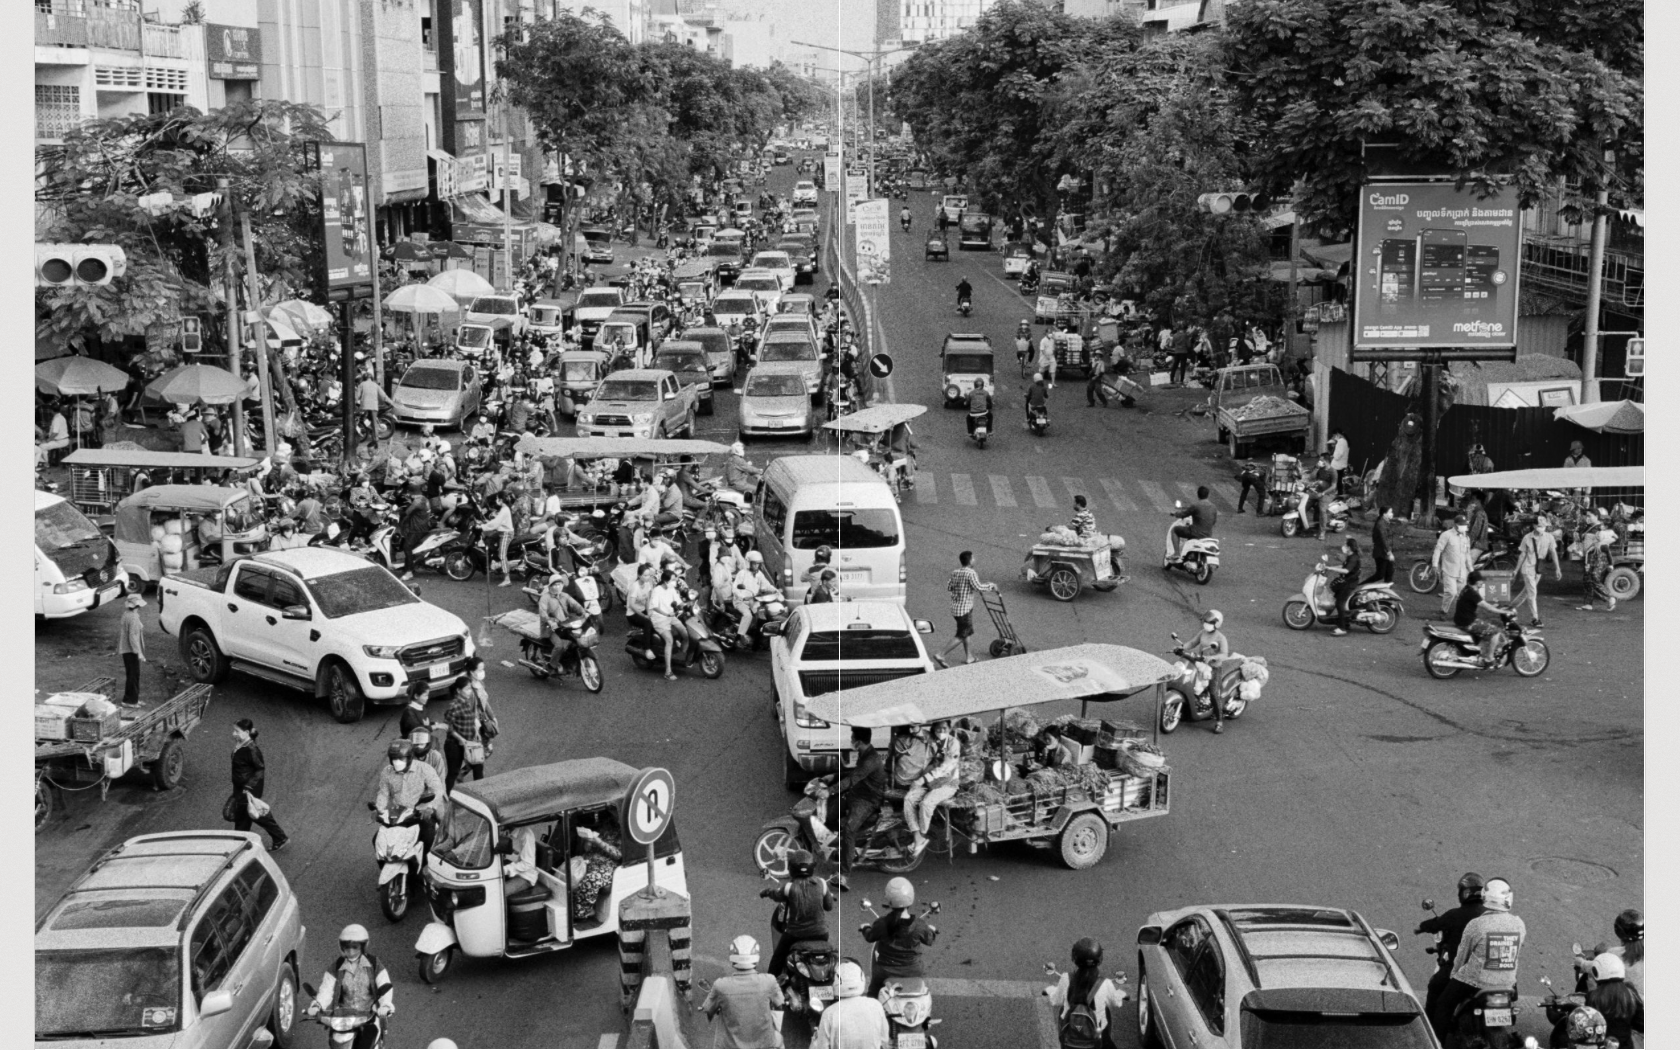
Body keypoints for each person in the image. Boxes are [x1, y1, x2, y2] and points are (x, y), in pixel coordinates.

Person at [1431, 877, 1525, 1041]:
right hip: (1507, 983)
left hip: (1474, 980)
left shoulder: (1477, 924)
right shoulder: (1519, 924)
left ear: (1485, 897)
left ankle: (1436, 1043)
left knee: (1444, 1005)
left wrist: (1454, 974)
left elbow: (1462, 955)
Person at [1416, 873, 1487, 1029]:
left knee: (1438, 993)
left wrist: (1421, 927)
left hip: (1462, 970)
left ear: (1465, 893)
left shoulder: (1455, 915)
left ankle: (1434, 1037)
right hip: (1492, 972)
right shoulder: (1493, 915)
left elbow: (1436, 924)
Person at [307, 925, 394, 1048]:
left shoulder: (374, 964)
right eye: (347, 948)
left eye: (355, 947)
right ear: (342, 947)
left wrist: (385, 1005)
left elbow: (384, 984)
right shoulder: (336, 967)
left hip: (368, 1017)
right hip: (343, 1019)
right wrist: (318, 1005)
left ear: (363, 947)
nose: (351, 952)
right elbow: (326, 989)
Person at [701, 935, 785, 1049]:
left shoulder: (720, 986)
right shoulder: (769, 981)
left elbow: (708, 1010)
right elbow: (779, 1005)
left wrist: (709, 1010)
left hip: (729, 1046)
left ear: (732, 958)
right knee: (779, 1039)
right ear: (756, 957)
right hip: (765, 1045)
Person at [759, 849, 833, 979]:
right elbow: (829, 907)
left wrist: (766, 892)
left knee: (778, 957)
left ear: (791, 868)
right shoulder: (821, 883)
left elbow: (776, 895)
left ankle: (770, 984)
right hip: (821, 933)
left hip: (795, 934)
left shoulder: (789, 887)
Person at [861, 877, 938, 999]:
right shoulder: (919, 925)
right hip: (913, 969)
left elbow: (870, 937)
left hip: (885, 970)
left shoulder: (881, 923)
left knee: (873, 993)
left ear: (889, 899)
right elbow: (929, 940)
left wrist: (865, 928)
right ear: (911, 898)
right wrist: (932, 931)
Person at [1046, 938, 1127, 1048]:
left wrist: (1050, 990)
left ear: (1074, 958)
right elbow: (1116, 1002)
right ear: (1099, 959)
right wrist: (1122, 994)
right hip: (1095, 1038)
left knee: (1063, 1013)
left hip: (1070, 1037)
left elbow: (1055, 1000)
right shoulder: (1105, 983)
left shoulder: (1066, 978)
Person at [373, 739, 445, 854]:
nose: (397, 762)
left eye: (401, 759)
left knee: (428, 838)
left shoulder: (424, 769)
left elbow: (437, 790)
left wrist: (430, 807)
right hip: (398, 815)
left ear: (410, 757)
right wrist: (379, 809)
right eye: (394, 759)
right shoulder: (387, 772)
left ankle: (425, 865)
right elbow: (383, 793)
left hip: (420, 814)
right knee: (377, 840)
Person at [902, 720, 961, 854]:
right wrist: (914, 723)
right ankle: (917, 837)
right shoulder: (932, 738)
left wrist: (922, 779)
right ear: (933, 729)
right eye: (938, 729)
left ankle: (922, 835)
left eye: (944, 728)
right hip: (929, 783)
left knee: (926, 803)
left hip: (947, 784)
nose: (941, 732)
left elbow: (945, 768)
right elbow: (919, 732)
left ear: (949, 728)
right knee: (908, 799)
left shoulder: (953, 743)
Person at [229, 719, 288, 852]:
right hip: (241, 788)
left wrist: (248, 787)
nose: (233, 734)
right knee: (245, 816)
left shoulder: (251, 749)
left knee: (247, 816)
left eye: (237, 731)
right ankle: (279, 837)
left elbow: (260, 769)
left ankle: (239, 845)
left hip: (248, 789)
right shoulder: (242, 744)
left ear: (246, 732)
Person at [836, 726, 888, 872]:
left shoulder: (870, 760)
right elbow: (854, 773)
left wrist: (829, 790)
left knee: (849, 829)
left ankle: (844, 873)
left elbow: (852, 779)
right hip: (858, 793)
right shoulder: (863, 753)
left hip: (867, 800)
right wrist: (832, 777)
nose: (850, 740)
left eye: (852, 738)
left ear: (858, 741)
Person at [442, 658, 498, 790]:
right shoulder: (468, 693)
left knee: (481, 760)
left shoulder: (479, 684)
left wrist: (492, 716)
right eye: (480, 669)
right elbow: (450, 725)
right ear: (472, 672)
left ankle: (473, 785)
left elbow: (485, 702)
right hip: (472, 733)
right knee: (480, 757)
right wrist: (473, 727)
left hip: (476, 731)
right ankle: (455, 787)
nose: (482, 672)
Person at [810, 960, 889, 1050]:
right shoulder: (876, 1006)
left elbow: (822, 1047)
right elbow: (884, 1040)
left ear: (837, 982)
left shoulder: (829, 1013)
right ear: (861, 979)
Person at [936, 551, 993, 668]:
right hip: (964, 609)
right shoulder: (971, 573)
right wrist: (991, 586)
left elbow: (949, 587)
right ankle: (941, 654)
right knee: (962, 634)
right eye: (973, 558)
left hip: (955, 608)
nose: (974, 559)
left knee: (966, 631)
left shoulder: (955, 572)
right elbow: (978, 587)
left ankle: (969, 657)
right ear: (970, 560)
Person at [1578, 954, 1642, 1049]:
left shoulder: (1593, 997)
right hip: (1625, 1046)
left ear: (1596, 972)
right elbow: (1640, 1022)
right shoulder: (1630, 992)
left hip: (1602, 1045)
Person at [1511, 515, 1562, 628]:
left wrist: (1557, 568)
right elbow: (1522, 555)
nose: (1542, 528)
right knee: (1532, 593)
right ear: (1534, 526)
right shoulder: (1527, 538)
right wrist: (1516, 570)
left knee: (1526, 593)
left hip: (1538, 569)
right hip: (1528, 568)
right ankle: (1535, 618)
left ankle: (1508, 608)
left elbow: (1553, 552)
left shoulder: (1549, 537)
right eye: (1539, 526)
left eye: (1544, 526)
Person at [1185, 610, 1230, 733]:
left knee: (1213, 692)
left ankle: (1219, 721)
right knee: (1191, 684)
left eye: (1209, 623)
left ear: (1217, 624)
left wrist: (1213, 657)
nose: (1206, 624)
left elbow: (1225, 654)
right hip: (1200, 664)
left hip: (1214, 668)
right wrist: (1182, 647)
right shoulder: (1203, 633)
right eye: (1205, 622)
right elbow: (1193, 642)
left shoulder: (1221, 638)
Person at [1453, 571, 1508, 666]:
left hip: (1460, 619)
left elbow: (1482, 603)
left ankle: (1481, 651)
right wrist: (1505, 612)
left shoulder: (1466, 589)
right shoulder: (1473, 593)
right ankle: (1489, 658)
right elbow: (1487, 607)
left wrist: (1495, 606)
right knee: (1495, 632)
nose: (1482, 583)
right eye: (1481, 581)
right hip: (1468, 622)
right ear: (1477, 582)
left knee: (1485, 626)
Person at [1432, 515, 1474, 618]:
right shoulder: (1446, 535)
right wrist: (1434, 564)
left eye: (1465, 525)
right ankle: (1443, 611)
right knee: (1451, 592)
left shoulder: (1466, 537)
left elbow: (1467, 555)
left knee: (1461, 595)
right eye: (1462, 525)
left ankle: (1461, 614)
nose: (1464, 527)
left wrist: (1471, 570)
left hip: (1462, 572)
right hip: (1449, 570)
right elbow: (1438, 550)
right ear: (1456, 525)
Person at [649, 566, 686, 679]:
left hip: (671, 616)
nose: (675, 582)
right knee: (669, 640)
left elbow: (679, 602)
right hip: (659, 619)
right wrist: (666, 614)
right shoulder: (657, 590)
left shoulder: (672, 589)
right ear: (665, 581)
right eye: (673, 580)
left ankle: (683, 657)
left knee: (685, 633)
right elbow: (654, 607)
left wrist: (688, 605)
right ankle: (668, 671)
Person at [1327, 537, 1363, 636]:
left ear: (1349, 547)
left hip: (1349, 583)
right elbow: (1343, 567)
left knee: (1339, 603)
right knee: (1338, 600)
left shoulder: (1353, 558)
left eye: (1345, 545)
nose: (1343, 546)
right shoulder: (1351, 556)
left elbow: (1346, 571)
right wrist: (1329, 567)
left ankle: (1342, 628)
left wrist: (1332, 569)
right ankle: (1345, 622)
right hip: (1348, 581)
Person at [1169, 486, 1218, 559]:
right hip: (1208, 534)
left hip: (1195, 533)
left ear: (1198, 495)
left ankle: (1176, 553)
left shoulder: (1196, 506)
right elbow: (1214, 522)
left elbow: (1184, 514)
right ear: (1208, 495)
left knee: (1175, 530)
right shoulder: (1214, 507)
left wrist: (1175, 514)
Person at [1577, 525, 1618, 613]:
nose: (1598, 536)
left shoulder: (1603, 545)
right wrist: (1586, 564)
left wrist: (1611, 564)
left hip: (1599, 564)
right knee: (1586, 580)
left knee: (1594, 578)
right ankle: (1588, 603)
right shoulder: (1595, 544)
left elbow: (1609, 555)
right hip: (1591, 563)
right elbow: (1588, 552)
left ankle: (1610, 598)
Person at [1297, 453, 1337, 540]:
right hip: (1317, 491)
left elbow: (1333, 486)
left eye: (1321, 460)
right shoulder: (1320, 468)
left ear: (1325, 461)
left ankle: (1322, 531)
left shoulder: (1333, 471)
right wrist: (1316, 468)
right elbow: (1311, 478)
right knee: (1305, 501)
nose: (1319, 461)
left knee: (1322, 509)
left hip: (1328, 493)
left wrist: (1323, 493)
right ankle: (1301, 524)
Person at [626, 563, 659, 663]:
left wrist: (649, 612)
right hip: (632, 614)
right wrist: (644, 616)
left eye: (649, 575)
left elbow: (648, 600)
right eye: (645, 575)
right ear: (639, 575)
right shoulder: (635, 587)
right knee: (647, 622)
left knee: (656, 619)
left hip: (642, 610)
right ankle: (647, 649)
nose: (647, 577)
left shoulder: (647, 584)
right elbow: (631, 605)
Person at [117, 592, 147, 705]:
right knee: (134, 676)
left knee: (132, 675)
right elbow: (133, 637)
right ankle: (130, 701)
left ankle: (132, 699)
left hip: (127, 650)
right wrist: (138, 653)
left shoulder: (127, 614)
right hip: (131, 651)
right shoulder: (133, 617)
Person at [357, 371, 393, 448]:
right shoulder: (376, 385)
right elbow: (384, 396)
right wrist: (391, 402)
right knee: (374, 423)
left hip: (364, 406)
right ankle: (376, 439)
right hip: (374, 406)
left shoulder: (361, 385)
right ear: (372, 378)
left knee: (363, 419)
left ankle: (369, 431)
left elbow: (356, 397)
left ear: (364, 378)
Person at [1369, 506, 1397, 584]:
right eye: (1390, 512)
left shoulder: (1385, 522)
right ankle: (1360, 586)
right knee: (1380, 574)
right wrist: (1389, 553)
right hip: (1381, 553)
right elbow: (1383, 540)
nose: (1392, 514)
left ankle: (1387, 590)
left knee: (1389, 572)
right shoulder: (1381, 524)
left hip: (1384, 552)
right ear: (1384, 514)